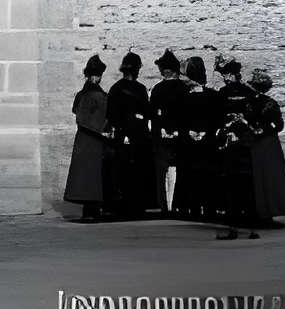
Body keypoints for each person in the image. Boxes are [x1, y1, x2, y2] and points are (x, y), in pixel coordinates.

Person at [211, 58, 264, 239]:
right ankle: (251, 229)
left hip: (232, 146)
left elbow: (218, 119)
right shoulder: (249, 93)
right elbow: (255, 119)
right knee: (247, 187)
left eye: (225, 74)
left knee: (232, 188)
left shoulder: (223, 93)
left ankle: (234, 229)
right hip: (245, 145)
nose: (224, 78)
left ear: (232, 74)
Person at [105, 52, 155, 219]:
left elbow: (146, 112)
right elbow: (113, 115)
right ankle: (128, 205)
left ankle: (133, 204)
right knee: (127, 172)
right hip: (128, 135)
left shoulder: (117, 88)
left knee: (133, 172)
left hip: (135, 135)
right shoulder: (125, 89)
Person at [244, 66, 285, 225]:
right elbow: (279, 125)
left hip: (253, 142)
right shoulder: (271, 103)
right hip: (269, 142)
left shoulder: (248, 102)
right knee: (271, 175)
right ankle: (271, 209)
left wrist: (255, 132)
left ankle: (257, 209)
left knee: (256, 176)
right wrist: (266, 130)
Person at [64, 55, 111, 221]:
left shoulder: (83, 93)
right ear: (95, 76)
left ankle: (91, 209)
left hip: (87, 138)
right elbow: (83, 118)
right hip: (93, 138)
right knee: (92, 174)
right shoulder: (92, 94)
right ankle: (92, 210)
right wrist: (101, 130)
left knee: (89, 175)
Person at [147, 50, 191, 216]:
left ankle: (164, 206)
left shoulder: (157, 89)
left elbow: (152, 114)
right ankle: (179, 204)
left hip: (161, 136)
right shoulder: (184, 89)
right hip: (181, 136)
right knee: (180, 171)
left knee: (162, 174)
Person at [179, 55, 220, 222]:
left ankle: (195, 208)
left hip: (193, 142)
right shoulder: (214, 96)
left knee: (193, 175)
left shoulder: (182, 97)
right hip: (207, 141)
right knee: (206, 175)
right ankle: (208, 208)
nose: (181, 78)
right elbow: (217, 119)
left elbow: (178, 120)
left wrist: (189, 132)